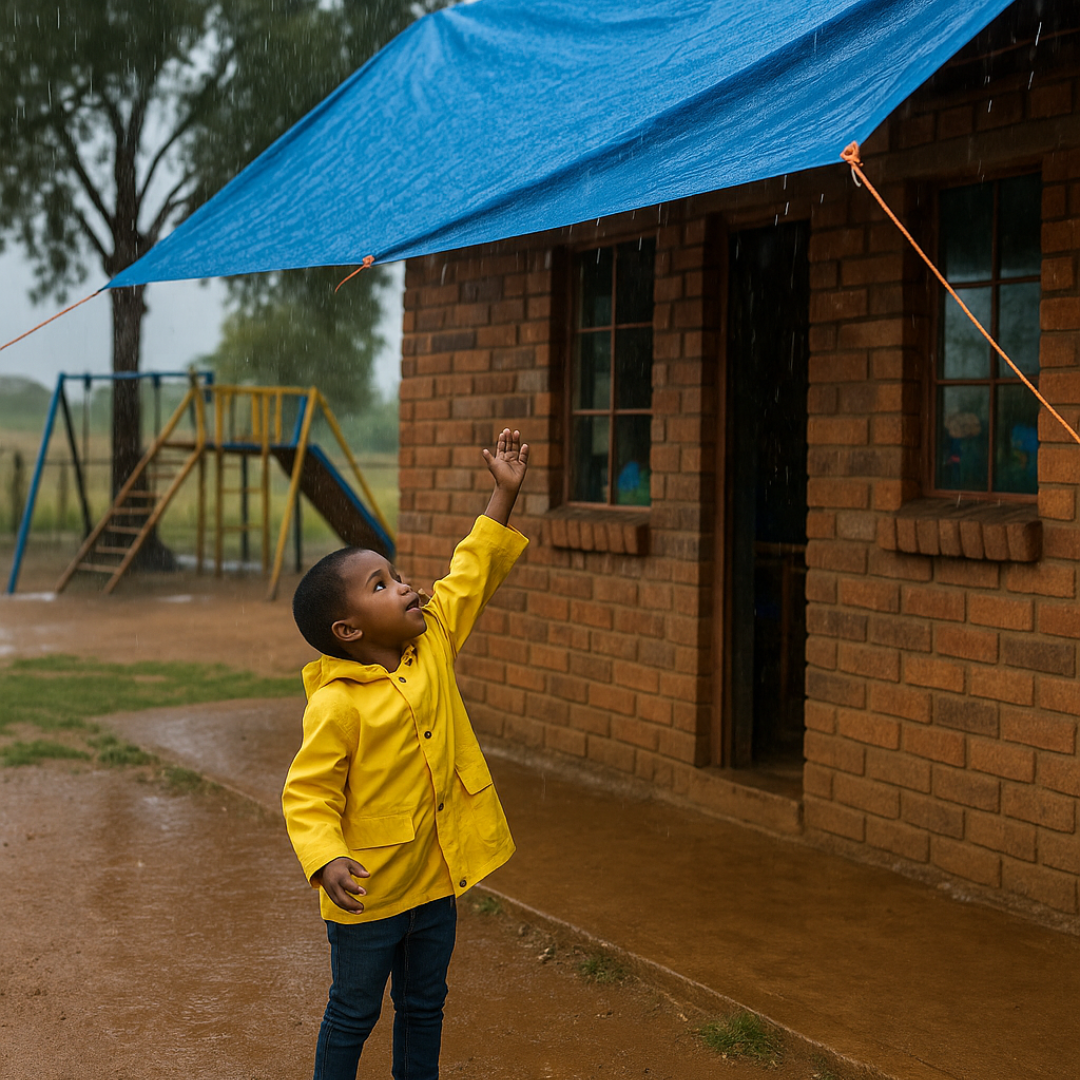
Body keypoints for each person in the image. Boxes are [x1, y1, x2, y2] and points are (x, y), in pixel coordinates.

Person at [282, 429, 530, 1080]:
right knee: (354, 1011)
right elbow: (307, 794)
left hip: (435, 884)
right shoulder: (337, 705)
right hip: (369, 896)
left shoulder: (435, 642)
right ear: (349, 629)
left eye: (396, 575)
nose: (406, 586)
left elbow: (474, 568)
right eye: (381, 583)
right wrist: (326, 857)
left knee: (425, 1005)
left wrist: (502, 494)